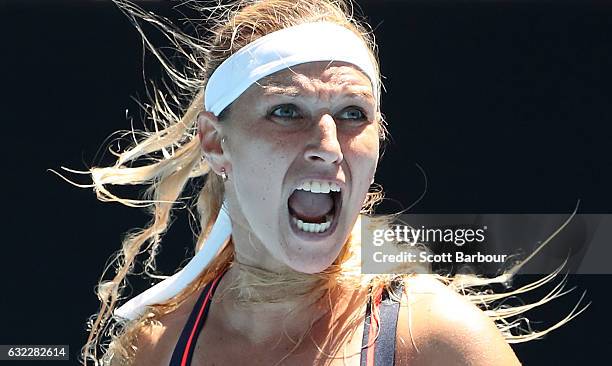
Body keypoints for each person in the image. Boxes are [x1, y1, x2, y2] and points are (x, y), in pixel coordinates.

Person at [73, 1, 584, 365]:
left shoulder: (434, 342)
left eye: (352, 114)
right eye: (287, 110)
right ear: (215, 143)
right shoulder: (155, 348)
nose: (329, 143)